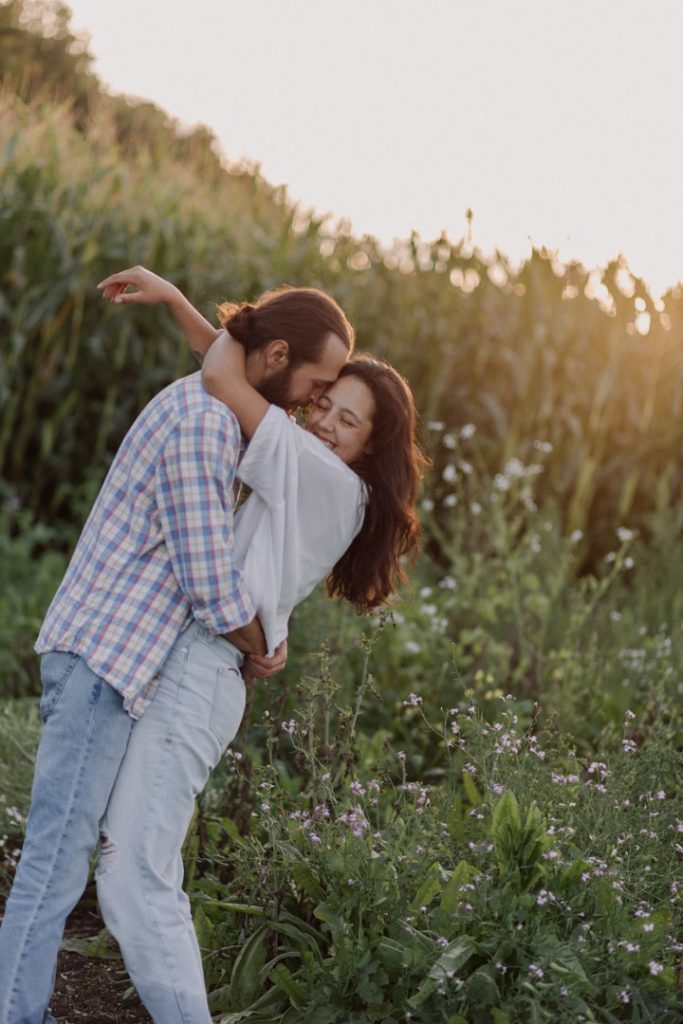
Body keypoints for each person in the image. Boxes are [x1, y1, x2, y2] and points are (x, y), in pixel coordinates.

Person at [0, 270, 355, 1024]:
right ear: (277, 356)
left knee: (61, 859)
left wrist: (181, 305)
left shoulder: (216, 406)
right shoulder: (206, 425)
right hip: (103, 662)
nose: (312, 402)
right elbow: (206, 578)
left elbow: (224, 358)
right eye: (316, 384)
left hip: (107, 663)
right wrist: (264, 642)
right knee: (55, 864)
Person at [84, 276, 426, 1023]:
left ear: (370, 447)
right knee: (129, 858)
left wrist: (182, 300)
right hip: (192, 663)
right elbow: (237, 368)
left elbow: (222, 371)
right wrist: (177, 305)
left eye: (349, 421)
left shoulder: (325, 478)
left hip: (200, 673)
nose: (326, 423)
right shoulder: (303, 466)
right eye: (324, 405)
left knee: (136, 871)